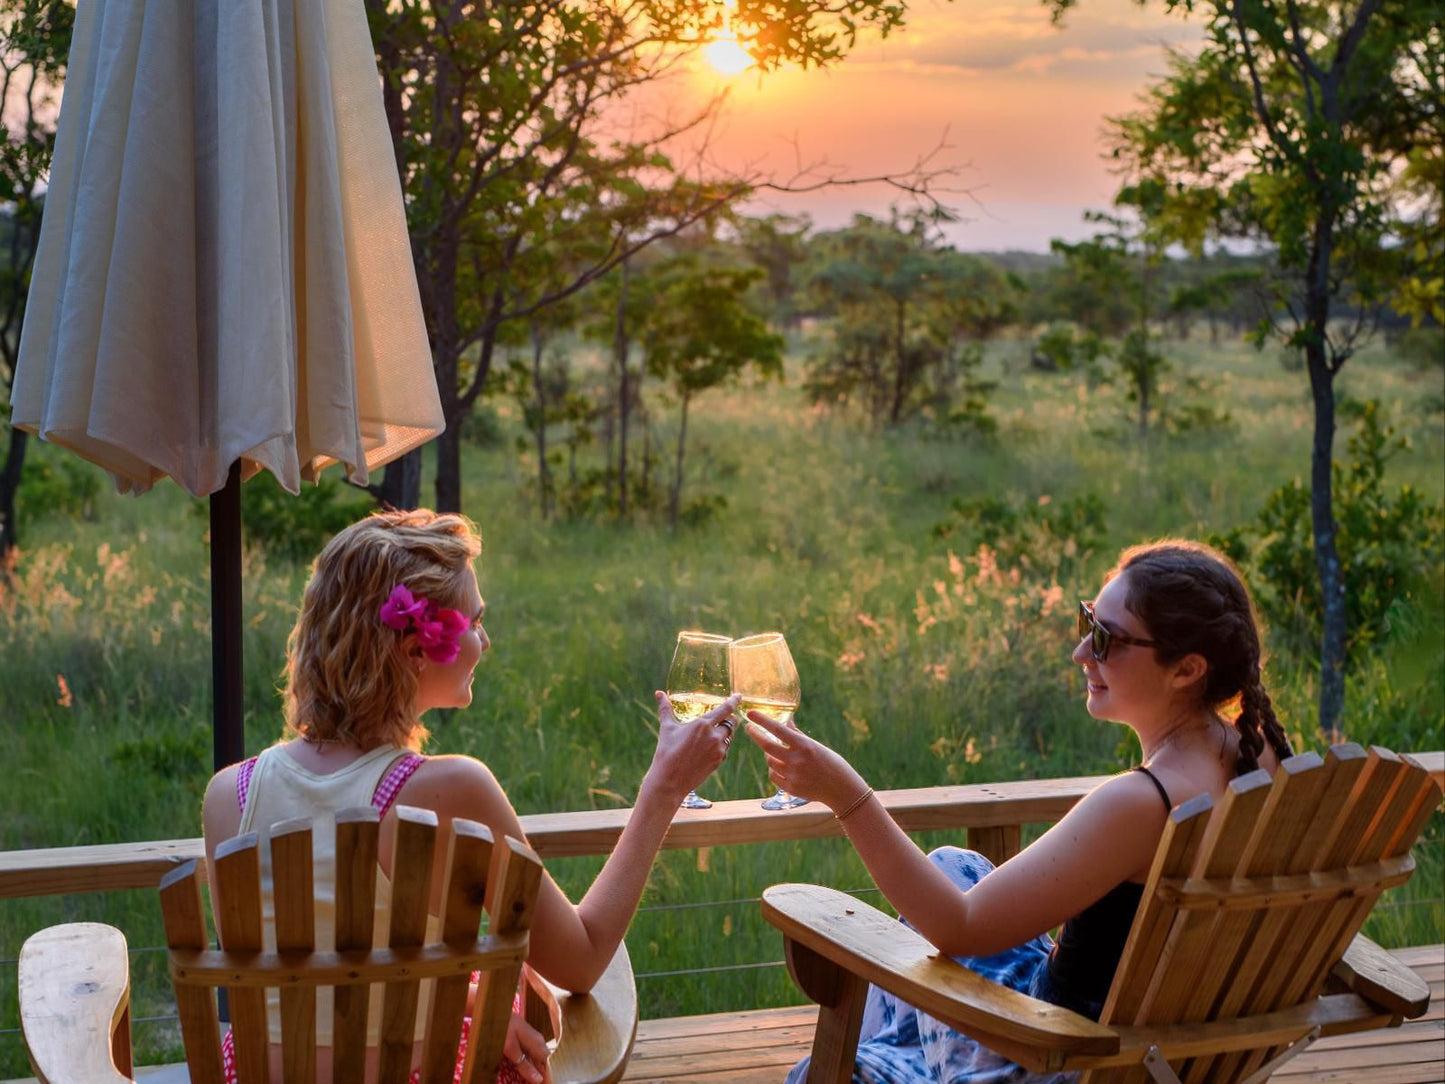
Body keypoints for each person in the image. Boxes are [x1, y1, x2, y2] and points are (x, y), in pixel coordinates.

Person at [201, 509, 738, 1084]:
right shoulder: (454, 790)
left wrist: (461, 992)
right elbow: (580, 963)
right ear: (413, 651)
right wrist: (663, 788)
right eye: (475, 621)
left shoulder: (230, 794)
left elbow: (306, 978)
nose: (486, 638)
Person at [746, 539, 1293, 1084]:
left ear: (1186, 670)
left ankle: (857, 1069)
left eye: (1106, 639)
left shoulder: (1143, 802)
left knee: (828, 1071)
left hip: (1054, 1054)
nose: (1082, 653)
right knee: (951, 866)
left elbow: (959, 928)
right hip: (1159, 1052)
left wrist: (846, 796)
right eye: (1087, 621)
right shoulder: (1258, 755)